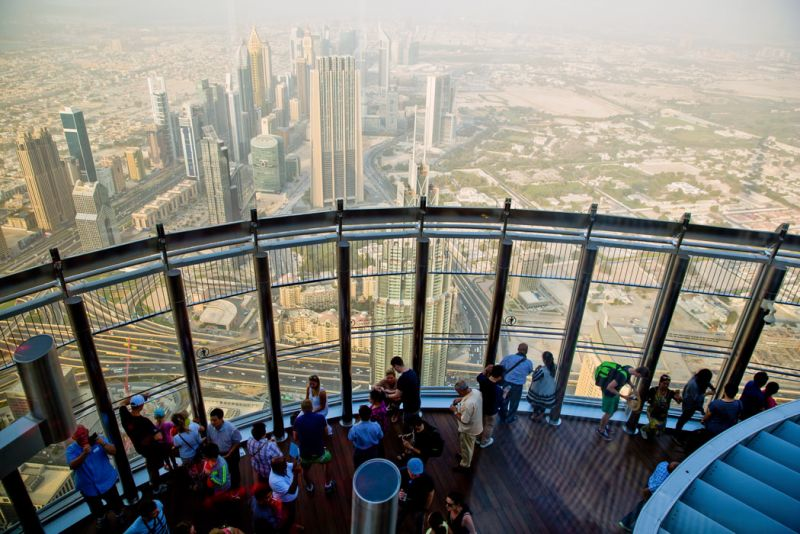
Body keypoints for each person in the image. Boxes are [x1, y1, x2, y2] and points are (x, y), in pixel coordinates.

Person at [66, 425, 124, 529]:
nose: (84, 438)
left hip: (107, 482)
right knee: (96, 508)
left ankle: (120, 515)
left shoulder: (99, 439)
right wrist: (84, 454)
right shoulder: (71, 450)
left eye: (84, 434)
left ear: (88, 432)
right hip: (88, 487)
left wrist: (103, 444)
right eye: (80, 437)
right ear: (75, 438)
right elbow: (72, 465)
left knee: (115, 502)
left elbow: (114, 451)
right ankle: (101, 519)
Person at [119, 393, 168, 494]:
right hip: (150, 448)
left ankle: (152, 482)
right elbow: (158, 436)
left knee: (150, 464)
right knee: (153, 467)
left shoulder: (125, 417)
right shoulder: (145, 422)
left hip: (139, 447)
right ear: (141, 406)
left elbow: (122, 403)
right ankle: (156, 487)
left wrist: (136, 398)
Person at [618, 460, 680, 532]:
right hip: (650, 492)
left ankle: (627, 523)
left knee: (641, 507)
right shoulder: (665, 479)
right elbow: (653, 488)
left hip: (649, 484)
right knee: (641, 508)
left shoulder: (663, 464)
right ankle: (626, 523)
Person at [594, 362, 650, 441]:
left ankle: (604, 425)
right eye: (640, 376)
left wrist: (633, 387)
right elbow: (609, 387)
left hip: (615, 394)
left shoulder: (629, 367)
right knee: (608, 413)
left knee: (612, 411)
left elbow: (627, 378)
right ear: (638, 373)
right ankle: (601, 430)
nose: (639, 378)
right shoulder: (622, 376)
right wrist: (624, 396)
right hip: (609, 394)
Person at [293, 399, 335, 494]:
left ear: (302, 409)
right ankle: (328, 484)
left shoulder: (298, 421)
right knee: (328, 460)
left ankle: (309, 486)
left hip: (305, 455)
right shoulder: (320, 418)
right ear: (312, 408)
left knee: (305, 470)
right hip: (319, 452)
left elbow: (295, 438)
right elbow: (326, 433)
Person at [450, 380, 482, 472]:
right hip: (476, 424)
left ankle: (465, 464)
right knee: (469, 445)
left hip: (468, 430)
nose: (458, 394)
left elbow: (464, 420)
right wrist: (461, 399)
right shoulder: (475, 392)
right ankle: (464, 456)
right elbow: (470, 397)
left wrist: (454, 410)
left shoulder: (468, 405)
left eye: (458, 392)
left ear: (462, 391)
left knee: (467, 446)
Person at [207, 408, 242, 489]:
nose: (212, 422)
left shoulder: (231, 429)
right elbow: (209, 440)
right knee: (220, 471)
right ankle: (224, 487)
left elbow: (237, 442)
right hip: (218, 454)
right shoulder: (210, 427)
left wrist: (229, 454)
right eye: (211, 420)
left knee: (234, 472)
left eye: (215, 420)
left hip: (231, 454)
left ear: (221, 418)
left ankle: (236, 489)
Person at [498, 343, 534, 423]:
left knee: (504, 400)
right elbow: (528, 372)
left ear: (518, 349)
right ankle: (510, 418)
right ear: (526, 351)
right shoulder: (529, 363)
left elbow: (501, 367)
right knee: (514, 403)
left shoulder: (509, 358)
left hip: (506, 384)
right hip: (517, 387)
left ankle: (502, 417)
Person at [674, 369, 715, 437]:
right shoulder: (693, 385)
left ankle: (677, 433)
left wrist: (712, 387)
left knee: (684, 418)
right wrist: (707, 393)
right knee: (684, 418)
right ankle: (676, 434)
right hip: (689, 404)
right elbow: (696, 398)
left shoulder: (697, 379)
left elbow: (707, 382)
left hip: (690, 403)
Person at [641, 375, 682, 440]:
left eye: (667, 384)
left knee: (660, 429)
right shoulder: (653, 390)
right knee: (654, 425)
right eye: (664, 383)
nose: (666, 385)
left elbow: (679, 401)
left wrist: (679, 397)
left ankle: (651, 433)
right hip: (652, 411)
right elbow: (646, 398)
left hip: (663, 414)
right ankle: (643, 429)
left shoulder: (670, 392)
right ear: (660, 382)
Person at [398, 458, 434, 532]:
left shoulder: (427, 479)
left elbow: (431, 493)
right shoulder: (399, 473)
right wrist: (397, 493)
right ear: (408, 468)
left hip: (419, 506)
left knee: (419, 524)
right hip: (404, 503)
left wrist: (425, 509)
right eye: (413, 474)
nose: (416, 476)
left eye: (418, 474)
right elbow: (393, 486)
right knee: (398, 519)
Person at [269, 457, 302, 531]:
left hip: (290, 498)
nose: (286, 465)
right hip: (287, 501)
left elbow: (292, 465)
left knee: (289, 515)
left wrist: (298, 461)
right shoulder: (275, 481)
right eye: (285, 465)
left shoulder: (280, 466)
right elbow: (292, 490)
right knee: (290, 516)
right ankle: (288, 528)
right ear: (279, 468)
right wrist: (296, 473)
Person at [476, 364, 504, 448]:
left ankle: (478, 439)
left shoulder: (483, 381)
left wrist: (486, 369)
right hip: (491, 410)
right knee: (489, 425)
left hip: (481, 406)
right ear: (499, 377)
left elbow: (479, 377)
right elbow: (500, 401)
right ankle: (484, 442)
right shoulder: (498, 389)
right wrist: (505, 393)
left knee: (481, 423)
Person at [389, 357, 421, 426]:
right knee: (416, 424)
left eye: (394, 368)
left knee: (407, 425)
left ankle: (408, 435)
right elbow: (408, 390)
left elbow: (397, 395)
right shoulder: (412, 372)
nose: (395, 370)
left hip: (409, 407)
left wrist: (386, 396)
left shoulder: (402, 378)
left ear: (396, 366)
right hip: (417, 404)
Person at [527, 351, 557, 421]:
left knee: (537, 404)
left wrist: (537, 369)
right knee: (543, 406)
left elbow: (534, 378)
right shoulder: (555, 367)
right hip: (549, 390)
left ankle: (534, 416)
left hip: (541, 390)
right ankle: (540, 417)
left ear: (544, 360)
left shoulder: (542, 370)